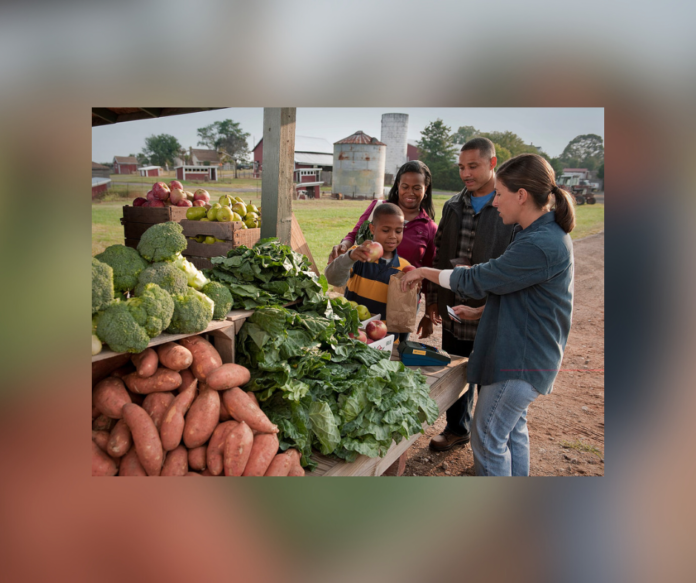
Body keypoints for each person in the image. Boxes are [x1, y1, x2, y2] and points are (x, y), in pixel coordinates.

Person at [400, 153, 575, 476]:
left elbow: (479, 278)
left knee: (487, 438)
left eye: (500, 194)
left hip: (517, 361)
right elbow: (519, 290)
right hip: (526, 357)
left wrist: (424, 271)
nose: (495, 202)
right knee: (511, 433)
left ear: (521, 196)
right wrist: (482, 310)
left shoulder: (538, 243)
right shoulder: (536, 234)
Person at [422, 137, 517, 452]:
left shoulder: (508, 206)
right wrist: (435, 298)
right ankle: (456, 428)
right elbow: (438, 255)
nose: (465, 173)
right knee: (456, 368)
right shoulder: (452, 205)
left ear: (492, 164)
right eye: (461, 167)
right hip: (453, 305)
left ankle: (487, 439)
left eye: (473, 166)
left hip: (492, 308)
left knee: (489, 376)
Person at [327, 160, 437, 271]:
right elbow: (354, 235)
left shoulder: (430, 228)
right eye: (405, 187)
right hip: (365, 284)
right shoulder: (378, 208)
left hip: (401, 287)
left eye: (417, 188)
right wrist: (344, 246)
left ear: (426, 188)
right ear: (398, 185)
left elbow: (427, 270)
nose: (410, 192)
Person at [324, 202, 410, 323]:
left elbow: (404, 308)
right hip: (354, 332)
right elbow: (332, 279)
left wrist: (413, 289)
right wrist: (349, 258)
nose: (393, 236)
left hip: (385, 337)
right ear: (372, 229)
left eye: (398, 231)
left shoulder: (404, 267)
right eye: (386, 230)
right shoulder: (357, 255)